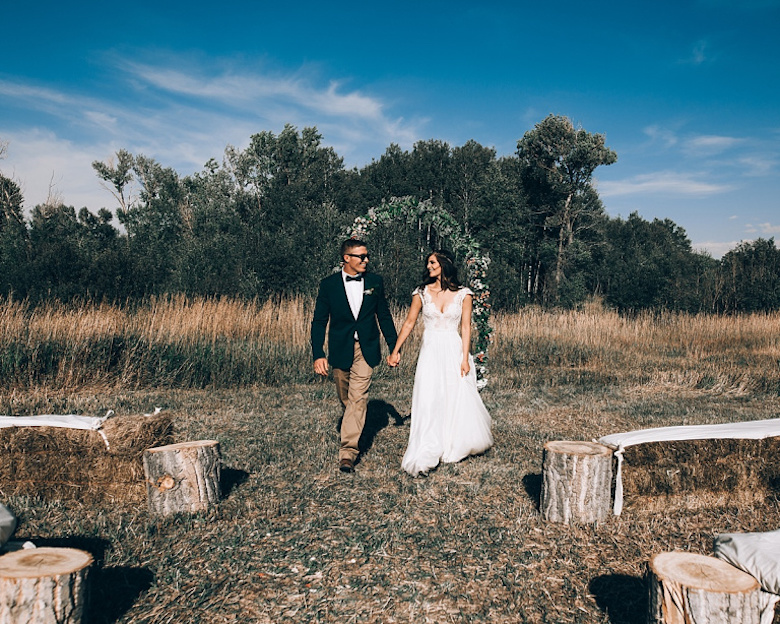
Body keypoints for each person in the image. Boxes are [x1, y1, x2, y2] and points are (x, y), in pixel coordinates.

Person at [387, 250, 493, 476]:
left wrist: (465, 358)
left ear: (444, 264)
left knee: (453, 394)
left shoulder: (464, 294)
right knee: (429, 395)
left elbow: (466, 327)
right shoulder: (421, 293)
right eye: (428, 263)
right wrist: (396, 350)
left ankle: (453, 441)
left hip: (454, 350)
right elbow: (409, 323)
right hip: (430, 350)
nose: (429, 266)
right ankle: (428, 444)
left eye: (433, 262)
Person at [311, 238, 398, 473]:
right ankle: (355, 423)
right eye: (362, 256)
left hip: (366, 349)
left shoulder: (375, 282)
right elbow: (319, 321)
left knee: (358, 398)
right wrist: (318, 353)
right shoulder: (328, 285)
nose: (366, 260)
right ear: (346, 258)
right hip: (340, 349)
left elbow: (385, 316)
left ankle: (347, 453)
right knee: (347, 398)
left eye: (367, 256)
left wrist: (394, 346)